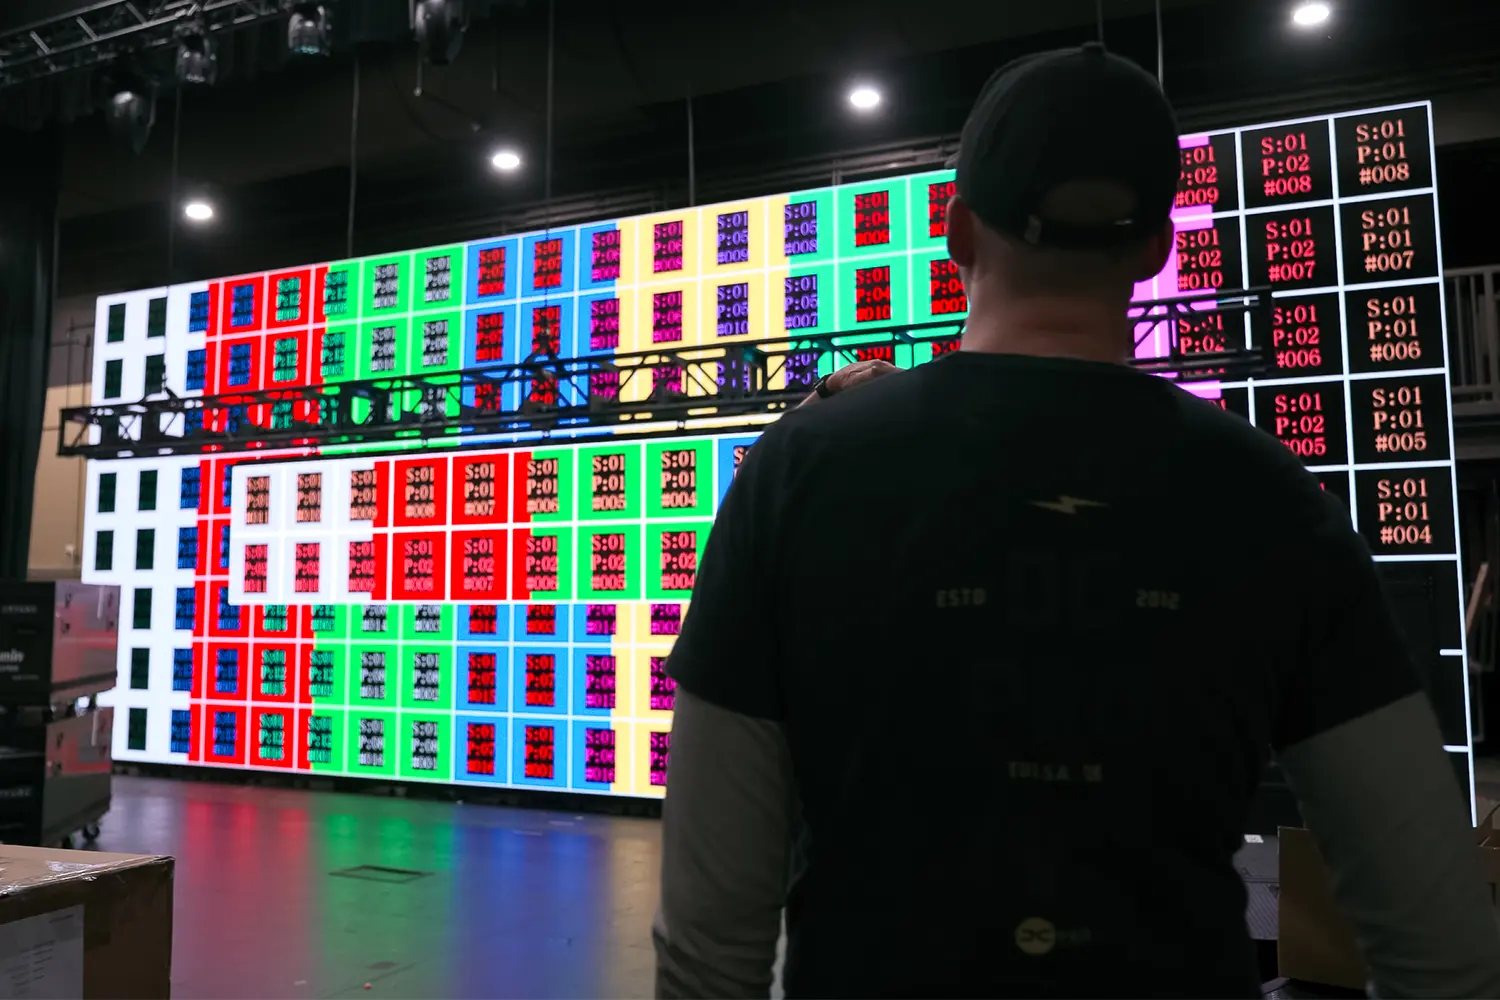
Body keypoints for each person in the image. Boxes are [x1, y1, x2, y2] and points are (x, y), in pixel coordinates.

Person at [653, 43, 1500, 999]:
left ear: (958, 231)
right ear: (1156, 248)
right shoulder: (1272, 498)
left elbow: (708, 943)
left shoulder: (795, 473)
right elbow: (1443, 954)